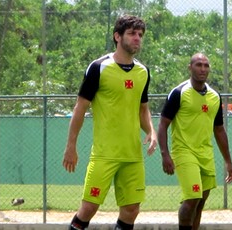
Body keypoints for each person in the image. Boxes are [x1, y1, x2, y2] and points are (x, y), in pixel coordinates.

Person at [62, 15, 157, 230]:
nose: (137, 39)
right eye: (132, 34)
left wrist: (150, 130)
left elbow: (143, 109)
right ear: (117, 36)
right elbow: (80, 108)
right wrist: (71, 146)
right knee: (88, 209)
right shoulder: (99, 67)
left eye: (140, 35)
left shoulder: (143, 72)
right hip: (104, 154)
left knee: (131, 210)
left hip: (132, 156)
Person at [157, 53, 232, 230]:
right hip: (184, 152)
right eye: (198, 65)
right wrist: (165, 155)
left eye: (206, 65)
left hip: (205, 154)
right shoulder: (179, 93)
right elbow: (163, 125)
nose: (202, 69)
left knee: (200, 202)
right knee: (192, 198)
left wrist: (228, 162)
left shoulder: (215, 96)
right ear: (190, 67)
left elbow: (219, 130)